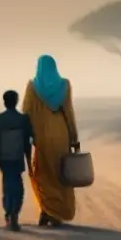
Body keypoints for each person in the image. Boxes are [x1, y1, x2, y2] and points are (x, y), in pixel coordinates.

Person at [22, 54, 79, 227]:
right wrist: (74, 138)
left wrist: (26, 135)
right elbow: (69, 112)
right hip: (61, 135)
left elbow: (26, 111)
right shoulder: (65, 85)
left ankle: (47, 210)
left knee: (42, 174)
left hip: (42, 137)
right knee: (61, 174)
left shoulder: (32, 87)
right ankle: (56, 213)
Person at [0, 89, 33, 231]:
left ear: (4, 102)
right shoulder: (23, 119)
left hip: (4, 159)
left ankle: (8, 213)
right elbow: (28, 142)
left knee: (7, 186)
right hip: (17, 158)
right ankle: (14, 213)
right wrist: (29, 160)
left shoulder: (0, 120)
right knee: (18, 187)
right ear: (16, 101)